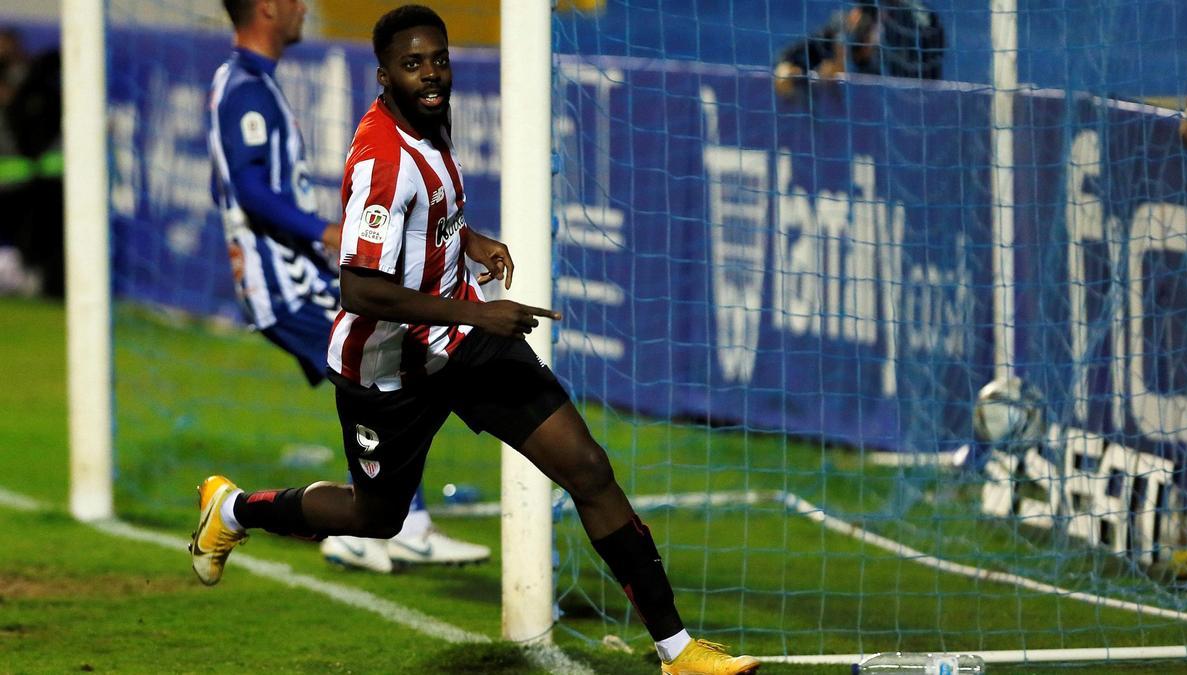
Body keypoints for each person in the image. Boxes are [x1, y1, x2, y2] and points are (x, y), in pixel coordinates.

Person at [191, 6, 761, 673]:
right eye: (412, 64)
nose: (430, 74)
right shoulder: (381, 157)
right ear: (383, 76)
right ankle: (231, 507)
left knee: (587, 466)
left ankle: (677, 649)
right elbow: (358, 288)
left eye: (438, 59)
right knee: (377, 517)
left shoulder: (428, 122)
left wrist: (468, 239)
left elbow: (424, 217)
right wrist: (479, 316)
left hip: (462, 343)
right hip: (386, 368)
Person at [206, 0, 488, 571]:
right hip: (283, 284)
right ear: (265, 8)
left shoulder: (243, 79)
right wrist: (327, 230)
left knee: (390, 376)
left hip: (290, 278)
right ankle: (386, 524)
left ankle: (396, 521)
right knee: (385, 370)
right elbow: (250, 188)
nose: (302, 7)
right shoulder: (246, 89)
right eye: (290, 1)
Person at [774, 0, 943, 100]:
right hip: (855, 128)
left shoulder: (918, 21)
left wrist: (854, 70)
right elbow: (804, 51)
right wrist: (789, 66)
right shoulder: (853, 21)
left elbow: (918, 80)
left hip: (906, 121)